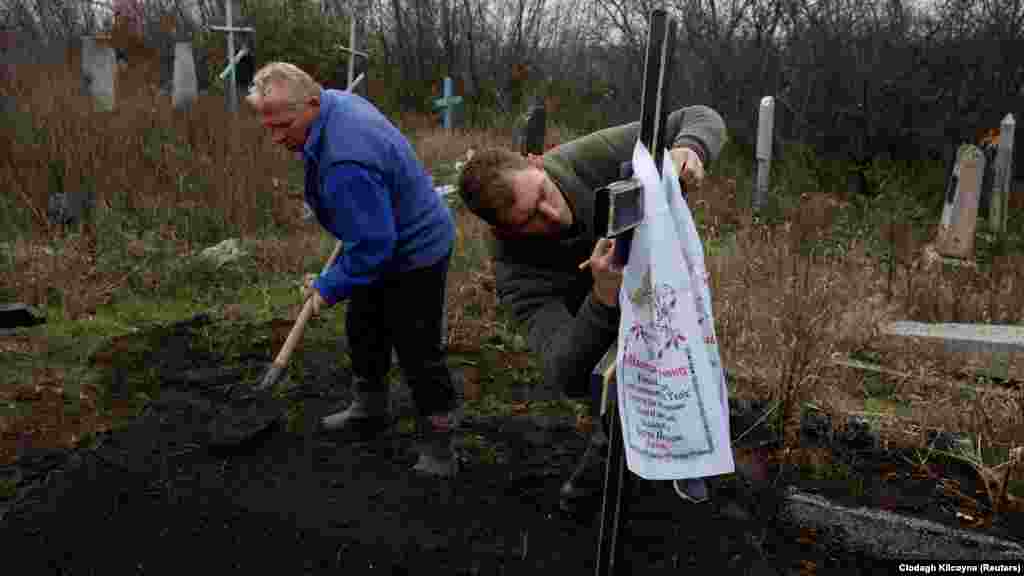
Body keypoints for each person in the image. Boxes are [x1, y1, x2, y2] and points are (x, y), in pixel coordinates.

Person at [457, 105, 727, 510]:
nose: (551, 215)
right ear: (503, 230)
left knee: (686, 370)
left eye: (543, 194)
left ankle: (688, 455)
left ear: (537, 162)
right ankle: (602, 474)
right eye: (529, 219)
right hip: (599, 324)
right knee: (614, 396)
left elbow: (700, 116)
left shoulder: (586, 157)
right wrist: (602, 296)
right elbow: (564, 371)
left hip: (662, 289)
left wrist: (690, 149)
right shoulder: (516, 271)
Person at [245, 62, 460, 478]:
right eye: (268, 127)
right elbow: (370, 233)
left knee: (417, 348)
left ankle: (440, 444)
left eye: (284, 126)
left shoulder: (345, 159)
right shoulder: (334, 104)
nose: (276, 138)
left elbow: (375, 247)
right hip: (378, 230)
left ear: (311, 104)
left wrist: (328, 288)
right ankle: (370, 408)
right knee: (364, 326)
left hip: (415, 250)